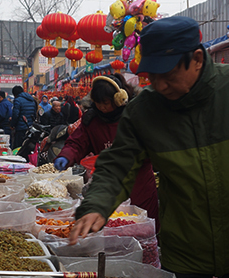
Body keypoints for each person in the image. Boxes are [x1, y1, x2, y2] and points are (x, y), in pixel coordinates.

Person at [69, 17, 229, 278]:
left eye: (168, 75)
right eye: (152, 77)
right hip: (185, 254)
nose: (160, 85)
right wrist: (97, 204)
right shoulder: (144, 111)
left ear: (196, 59)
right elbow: (117, 165)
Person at [55, 74, 159, 223]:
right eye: (98, 103)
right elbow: (77, 143)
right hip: (109, 183)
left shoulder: (135, 116)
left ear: (118, 98)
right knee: (114, 227)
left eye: (105, 102)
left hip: (139, 183)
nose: (102, 107)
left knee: (145, 227)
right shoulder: (91, 120)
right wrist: (66, 155)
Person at [10, 85, 37, 150]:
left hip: (20, 127)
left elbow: (16, 114)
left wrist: (12, 124)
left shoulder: (17, 100)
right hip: (29, 127)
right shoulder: (31, 99)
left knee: (18, 147)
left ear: (15, 94)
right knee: (27, 146)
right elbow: (34, 113)